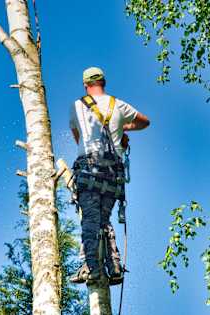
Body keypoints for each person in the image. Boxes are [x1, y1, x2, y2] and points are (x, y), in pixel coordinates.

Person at [69, 67, 150, 285]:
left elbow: (78, 138)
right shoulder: (119, 105)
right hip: (113, 174)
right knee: (104, 219)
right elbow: (144, 121)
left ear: (86, 85)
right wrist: (122, 129)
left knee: (90, 220)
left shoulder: (77, 106)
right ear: (103, 81)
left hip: (89, 169)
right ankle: (114, 267)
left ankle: (91, 268)